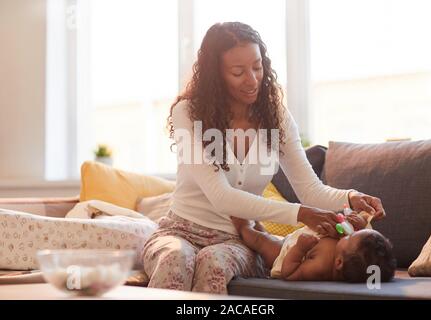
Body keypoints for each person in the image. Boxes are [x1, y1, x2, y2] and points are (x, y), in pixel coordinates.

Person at [141, 21, 386, 294]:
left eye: (257, 67)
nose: (252, 79)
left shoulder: (277, 118)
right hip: (179, 231)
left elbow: (310, 190)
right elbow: (220, 196)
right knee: (176, 258)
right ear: (215, 75)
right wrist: (301, 214)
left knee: (214, 263)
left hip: (236, 239)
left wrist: (350, 198)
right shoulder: (189, 113)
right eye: (238, 72)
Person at [230, 212, 396, 282]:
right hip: (293, 239)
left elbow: (290, 273)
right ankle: (253, 219)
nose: (349, 233)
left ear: (338, 263)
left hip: (283, 253)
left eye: (351, 236)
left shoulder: (320, 266)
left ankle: (243, 226)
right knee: (266, 233)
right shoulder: (345, 249)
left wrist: (300, 249)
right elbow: (366, 237)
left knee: (262, 240)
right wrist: (359, 222)